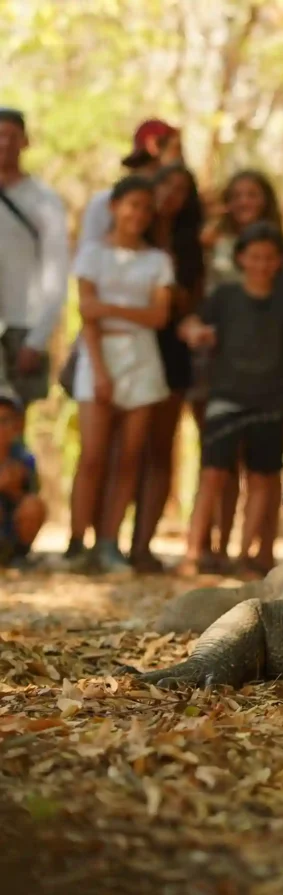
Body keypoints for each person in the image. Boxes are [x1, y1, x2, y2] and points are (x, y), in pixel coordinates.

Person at [178, 222, 283, 576]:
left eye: (269, 257)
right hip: (225, 398)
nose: (261, 264)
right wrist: (196, 333)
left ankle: (246, 556)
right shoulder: (226, 296)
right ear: (241, 257)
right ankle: (193, 553)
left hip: (269, 402)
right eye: (254, 256)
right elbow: (188, 324)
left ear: (279, 261)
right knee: (212, 474)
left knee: (261, 478)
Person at [67, 175, 174, 573]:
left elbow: (158, 315)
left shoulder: (158, 261)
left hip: (143, 358)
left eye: (147, 208)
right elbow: (86, 312)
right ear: (114, 207)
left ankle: (110, 542)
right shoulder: (92, 254)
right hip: (97, 354)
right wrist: (98, 369)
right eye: (132, 205)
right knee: (93, 455)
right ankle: (78, 542)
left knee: (129, 457)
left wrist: (109, 308)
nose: (138, 214)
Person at [191, 169, 283, 572]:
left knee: (262, 469)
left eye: (254, 194)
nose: (246, 202)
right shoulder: (209, 242)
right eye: (238, 194)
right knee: (216, 465)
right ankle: (207, 547)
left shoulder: (280, 256)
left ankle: (252, 552)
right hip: (220, 366)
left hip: (267, 380)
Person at [128, 163, 206, 572]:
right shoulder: (127, 232)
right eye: (167, 186)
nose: (172, 195)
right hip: (128, 344)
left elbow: (188, 302)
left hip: (172, 347)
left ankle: (142, 545)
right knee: (126, 449)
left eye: (182, 189)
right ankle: (99, 541)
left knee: (160, 448)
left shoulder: (190, 244)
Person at [0, 108, 69, 421]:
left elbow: (56, 275)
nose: (3, 143)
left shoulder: (44, 200)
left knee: (9, 430)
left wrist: (37, 339)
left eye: (11, 136)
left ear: (24, 142)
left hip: (21, 328)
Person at [77, 119, 183, 253]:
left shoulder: (172, 203)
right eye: (175, 148)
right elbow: (89, 256)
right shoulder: (103, 202)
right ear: (154, 146)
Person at [0, 386, 46, 568]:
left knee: (34, 506)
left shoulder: (24, 459)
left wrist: (13, 489)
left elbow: (31, 497)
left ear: (17, 425)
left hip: (10, 529)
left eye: (5, 421)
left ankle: (17, 555)